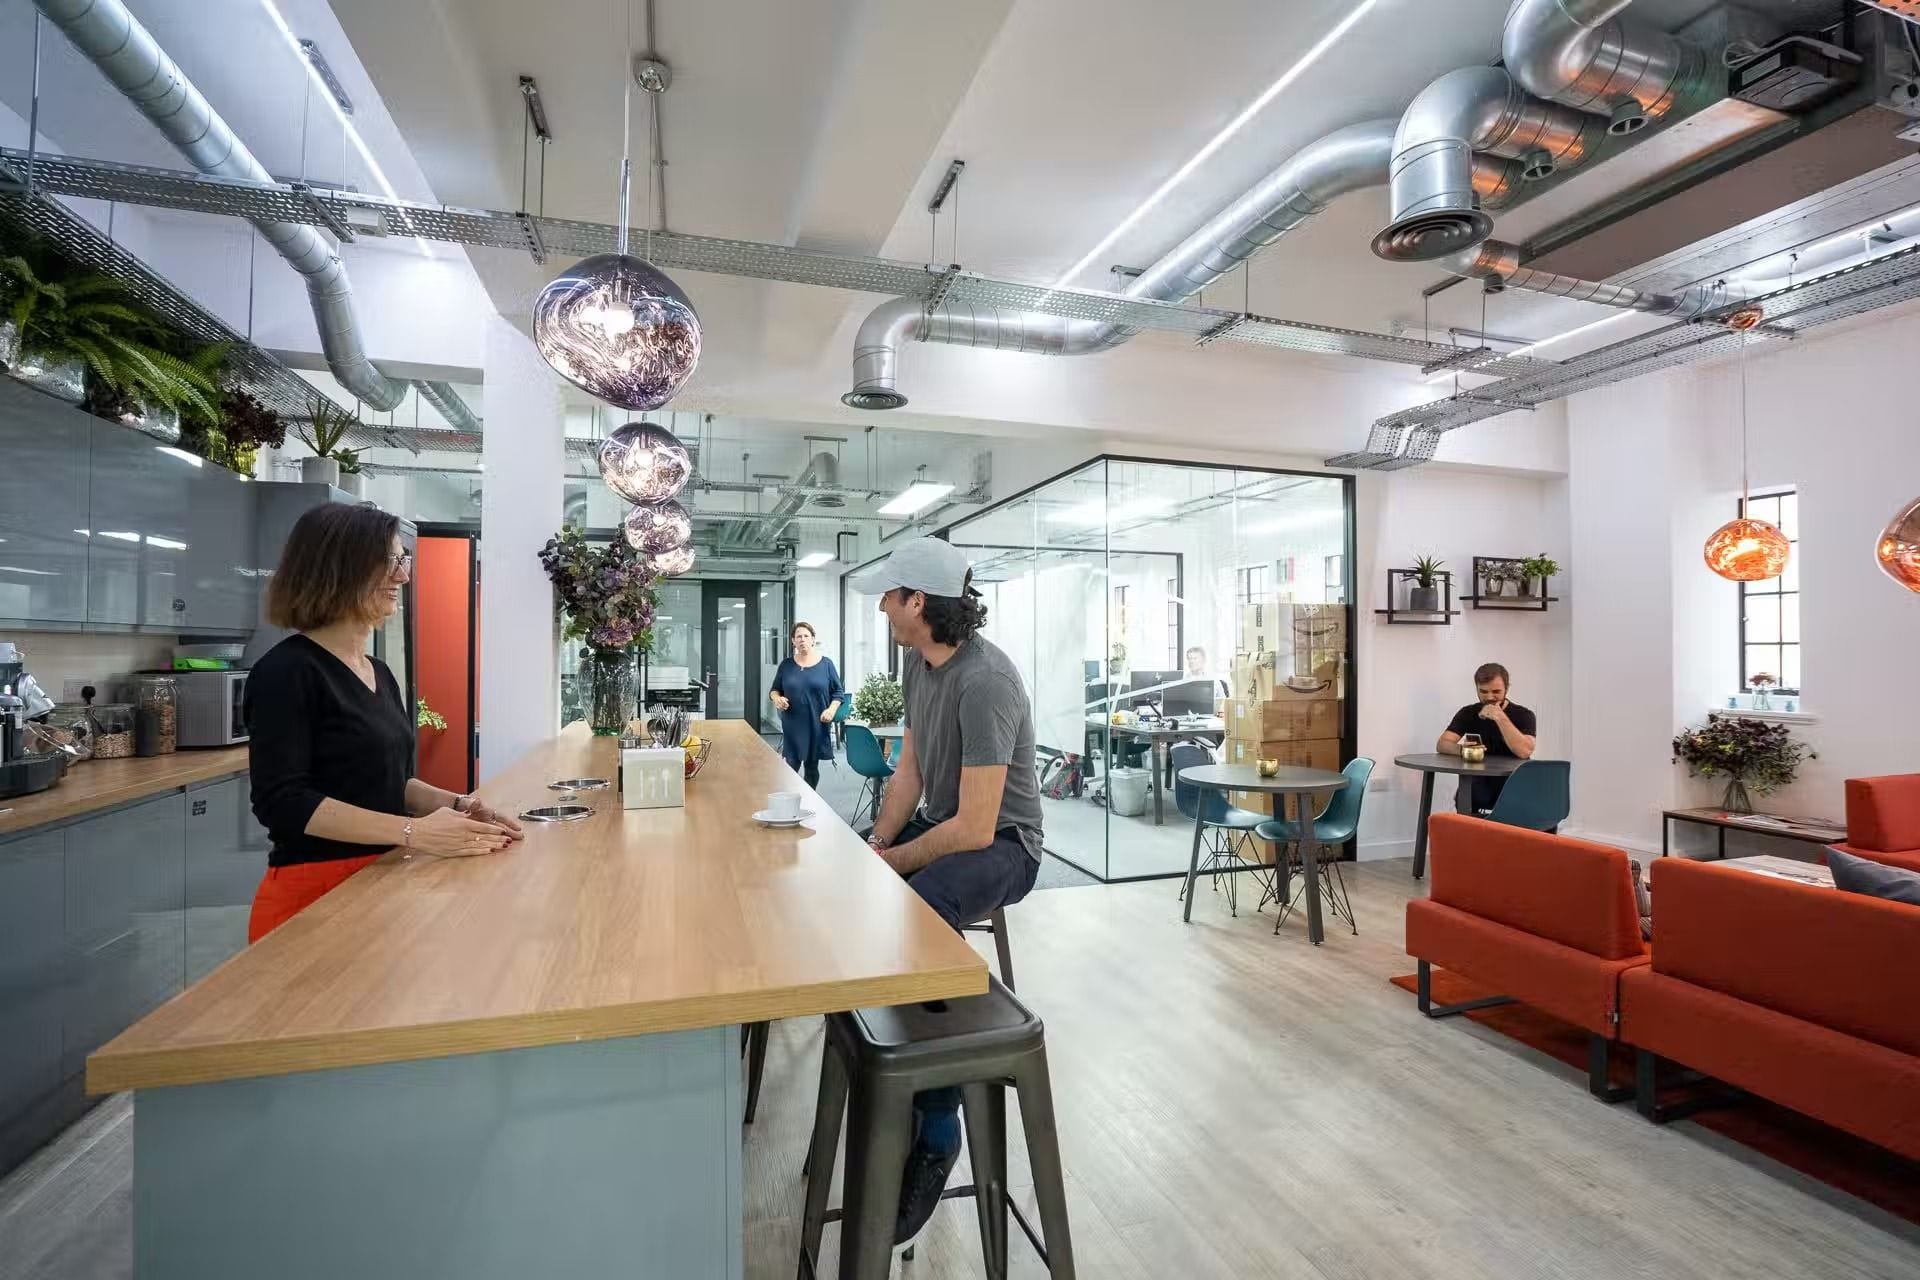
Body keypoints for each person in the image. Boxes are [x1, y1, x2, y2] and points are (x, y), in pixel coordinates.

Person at [850, 536, 1044, 1245]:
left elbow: (977, 826)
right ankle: (897, 1052)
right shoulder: (917, 663)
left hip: (1005, 846)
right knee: (864, 880)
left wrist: (896, 863)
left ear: (917, 602)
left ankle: (937, 1127)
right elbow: (909, 773)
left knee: (923, 905)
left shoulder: (985, 682)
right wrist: (876, 845)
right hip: (947, 825)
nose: (881, 606)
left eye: (889, 595)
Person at [244, 503, 522, 943]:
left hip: (380, 877)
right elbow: (284, 801)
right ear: (340, 568)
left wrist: (459, 806)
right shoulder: (285, 672)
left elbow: (387, 781)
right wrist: (416, 831)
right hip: (314, 896)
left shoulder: (378, 672)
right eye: (391, 561)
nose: (403, 576)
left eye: (402, 560)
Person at [1436, 661, 1538, 813]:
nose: (1490, 697)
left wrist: (1500, 717)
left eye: (1496, 691)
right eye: (1483, 692)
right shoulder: (1468, 713)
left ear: (1506, 688)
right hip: (1479, 785)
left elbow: (1524, 751)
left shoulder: (1524, 714)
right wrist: (1466, 750)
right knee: (1465, 797)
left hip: (1515, 784)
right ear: (1476, 688)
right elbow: (1443, 744)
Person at [768, 621, 844, 788]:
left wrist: (831, 710)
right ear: (793, 641)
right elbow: (774, 690)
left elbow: (838, 692)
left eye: (806, 636)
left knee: (811, 766)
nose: (802, 639)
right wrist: (777, 699)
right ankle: (791, 800)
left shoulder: (826, 664)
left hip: (816, 722)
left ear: (813, 639)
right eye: (798, 637)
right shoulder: (786, 665)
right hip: (793, 723)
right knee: (791, 765)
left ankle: (810, 799)